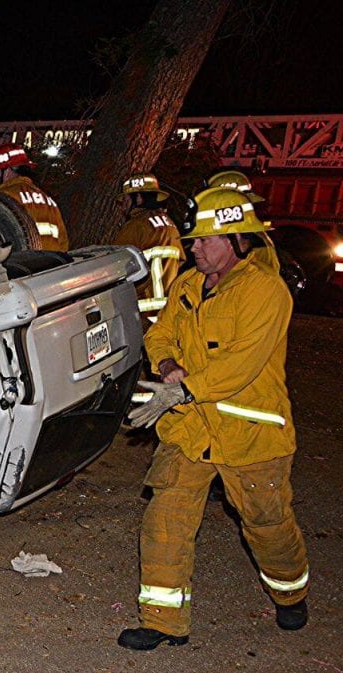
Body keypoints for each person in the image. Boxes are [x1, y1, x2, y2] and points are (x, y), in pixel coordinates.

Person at [119, 186, 309, 650]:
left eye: (205, 240)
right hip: (191, 429)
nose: (193, 247)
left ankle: (291, 592)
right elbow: (159, 334)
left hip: (251, 434)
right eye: (194, 240)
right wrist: (166, 366)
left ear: (237, 239)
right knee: (166, 518)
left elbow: (241, 365)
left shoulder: (265, 291)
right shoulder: (187, 284)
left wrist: (184, 388)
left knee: (267, 525)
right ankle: (163, 621)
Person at [112, 173, 184, 324]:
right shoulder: (171, 225)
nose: (122, 206)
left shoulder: (137, 226)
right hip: (168, 312)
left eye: (125, 200)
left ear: (138, 198)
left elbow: (116, 268)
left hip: (142, 313)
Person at [0, 143, 69, 252]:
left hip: (25, 264)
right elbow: (63, 243)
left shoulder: (4, 197)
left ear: (7, 171)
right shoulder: (49, 200)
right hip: (54, 265)